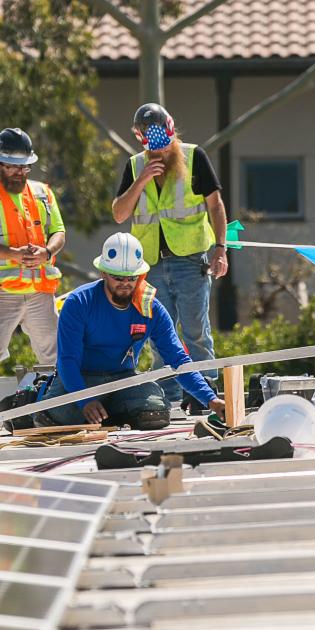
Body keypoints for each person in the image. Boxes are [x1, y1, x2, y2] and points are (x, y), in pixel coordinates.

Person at [36, 232, 225, 430]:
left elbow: (177, 359)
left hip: (123, 379)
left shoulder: (150, 308)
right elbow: (67, 361)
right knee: (55, 418)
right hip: (81, 378)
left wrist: (211, 400)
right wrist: (85, 401)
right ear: (103, 274)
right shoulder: (79, 302)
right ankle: (89, 409)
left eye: (131, 278)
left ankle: (107, 413)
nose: (125, 284)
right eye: (117, 277)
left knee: (156, 413)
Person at [111, 103, 228, 411]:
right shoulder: (136, 166)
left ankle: (205, 394)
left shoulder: (194, 157)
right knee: (159, 334)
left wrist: (220, 248)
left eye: (164, 146)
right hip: (151, 265)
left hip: (191, 260)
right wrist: (142, 181)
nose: (160, 154)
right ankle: (167, 395)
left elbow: (216, 205)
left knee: (195, 329)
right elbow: (120, 214)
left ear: (172, 133)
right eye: (153, 149)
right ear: (141, 141)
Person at [0, 127, 66, 400]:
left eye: (25, 167)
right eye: (13, 167)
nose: (20, 172)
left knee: (57, 353)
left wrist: (47, 251)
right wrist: (13, 254)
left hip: (39, 290)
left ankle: (64, 406)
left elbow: (59, 232)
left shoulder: (43, 194)